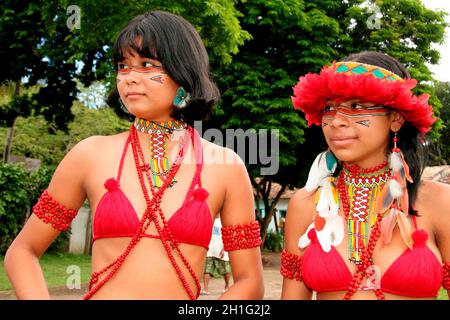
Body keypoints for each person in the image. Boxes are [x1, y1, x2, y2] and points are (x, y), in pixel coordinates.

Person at [4, 10, 264, 300]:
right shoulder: (89, 154)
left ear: (183, 73)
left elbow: (249, 282)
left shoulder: (225, 165)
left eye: (146, 65)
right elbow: (22, 252)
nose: (129, 78)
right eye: (123, 66)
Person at [281, 51, 450, 300]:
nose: (336, 120)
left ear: (396, 118)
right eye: (329, 107)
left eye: (356, 106)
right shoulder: (306, 205)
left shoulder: (439, 202)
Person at [202, 216, 231, 295]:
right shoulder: (208, 219)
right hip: (210, 250)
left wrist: (224, 249)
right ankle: (205, 289)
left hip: (220, 249)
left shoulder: (224, 220)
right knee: (207, 269)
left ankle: (227, 286)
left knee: (225, 269)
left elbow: (227, 236)